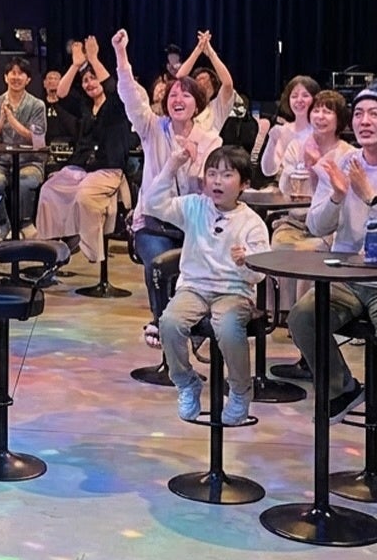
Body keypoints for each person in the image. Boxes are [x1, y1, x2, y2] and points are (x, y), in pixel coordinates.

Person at [112, 30, 223, 340]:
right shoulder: (152, 128)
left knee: (198, 268)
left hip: (194, 226)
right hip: (153, 224)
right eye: (173, 95)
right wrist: (121, 53)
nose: (177, 99)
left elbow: (213, 192)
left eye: (185, 95)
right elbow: (130, 94)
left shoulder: (210, 140)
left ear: (197, 104)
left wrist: (197, 166)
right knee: (160, 264)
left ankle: (189, 323)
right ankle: (163, 325)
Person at [148, 143, 269, 426]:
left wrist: (246, 262)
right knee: (169, 322)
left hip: (234, 290)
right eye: (212, 173)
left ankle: (240, 390)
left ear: (244, 184)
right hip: (194, 287)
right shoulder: (194, 206)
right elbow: (153, 204)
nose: (217, 181)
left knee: (227, 326)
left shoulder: (252, 223)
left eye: (227, 175)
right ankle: (186, 382)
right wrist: (172, 166)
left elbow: (260, 274)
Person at [288, 86, 377, 422]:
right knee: (302, 318)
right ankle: (342, 388)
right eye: (359, 114)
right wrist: (338, 196)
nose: (365, 121)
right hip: (347, 275)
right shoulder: (342, 163)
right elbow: (315, 225)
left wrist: (370, 197)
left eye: (374, 115)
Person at [35, 38, 132, 264]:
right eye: (85, 80)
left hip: (107, 168)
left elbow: (112, 87)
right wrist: (76, 64)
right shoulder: (85, 106)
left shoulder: (118, 104)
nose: (89, 83)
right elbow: (61, 93)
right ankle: (52, 247)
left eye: (93, 78)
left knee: (84, 195)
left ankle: (91, 250)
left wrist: (94, 59)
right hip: (80, 167)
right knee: (49, 190)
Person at [0, 55, 47, 238]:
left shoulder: (37, 105)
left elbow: (38, 141)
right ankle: (3, 224)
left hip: (30, 162)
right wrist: (1, 121)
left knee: (24, 182)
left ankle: (25, 224)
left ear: (28, 79)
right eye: (12, 73)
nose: (16, 77)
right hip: (0, 161)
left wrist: (12, 121)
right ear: (5, 77)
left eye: (21, 74)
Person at [260, 75, 319, 180]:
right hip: (288, 187)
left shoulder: (321, 131)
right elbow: (268, 170)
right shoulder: (283, 130)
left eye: (305, 95)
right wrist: (272, 141)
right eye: (294, 96)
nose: (299, 100)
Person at [43, 69, 78, 146]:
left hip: (67, 143)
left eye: (56, 79)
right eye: (50, 78)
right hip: (45, 145)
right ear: (44, 83)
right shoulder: (39, 104)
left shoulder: (71, 104)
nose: (52, 81)